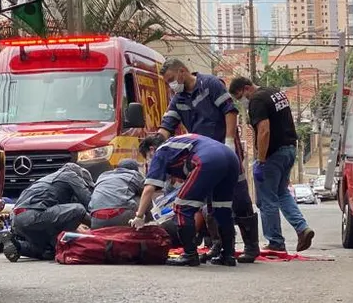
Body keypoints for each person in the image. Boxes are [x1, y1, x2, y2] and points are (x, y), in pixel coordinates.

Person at [157, 59, 261, 264]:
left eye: (171, 79)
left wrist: (229, 140)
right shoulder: (177, 98)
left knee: (238, 195)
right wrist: (157, 142)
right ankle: (219, 244)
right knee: (210, 202)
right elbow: (167, 124)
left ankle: (250, 245)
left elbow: (230, 111)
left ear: (182, 71)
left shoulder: (210, 84)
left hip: (225, 148)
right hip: (203, 156)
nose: (171, 84)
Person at [229, 77, 315, 253]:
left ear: (246, 88)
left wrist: (261, 159)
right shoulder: (275, 92)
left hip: (272, 155)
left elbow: (264, 130)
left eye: (240, 97)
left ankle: (275, 242)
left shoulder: (257, 100)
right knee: (282, 193)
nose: (241, 102)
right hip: (289, 150)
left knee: (267, 200)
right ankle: (302, 228)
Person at [130, 133, 238, 267]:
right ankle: (228, 255)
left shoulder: (160, 151)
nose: (149, 162)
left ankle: (190, 255)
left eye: (147, 158)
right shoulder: (178, 145)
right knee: (221, 208)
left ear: (151, 149)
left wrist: (139, 216)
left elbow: (149, 189)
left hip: (208, 159)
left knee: (182, 206)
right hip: (231, 157)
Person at [3, 163, 93, 262]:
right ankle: (58, 242)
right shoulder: (71, 175)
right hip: (33, 214)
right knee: (78, 209)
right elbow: (88, 202)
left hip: (16, 220)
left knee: (49, 252)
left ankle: (17, 245)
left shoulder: (44, 181)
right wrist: (98, 226)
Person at [88, 159, 145, 229]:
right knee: (145, 198)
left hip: (95, 219)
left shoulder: (103, 175)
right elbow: (147, 192)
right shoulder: (133, 174)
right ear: (135, 169)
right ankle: (150, 228)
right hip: (120, 216)